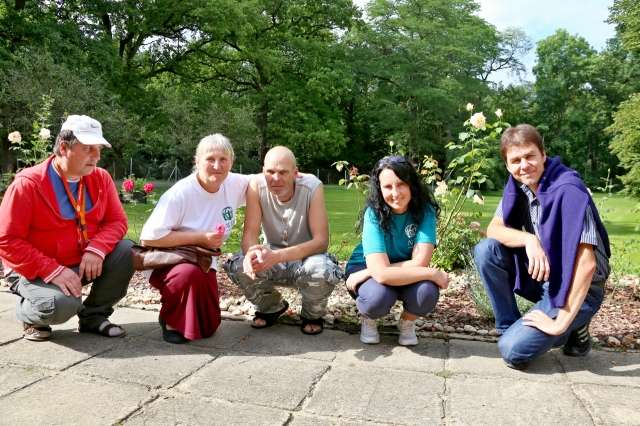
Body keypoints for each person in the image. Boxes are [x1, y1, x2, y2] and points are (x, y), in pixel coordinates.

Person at [474, 124, 610, 369]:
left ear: (543, 155)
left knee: (513, 352)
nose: (524, 165)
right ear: (507, 165)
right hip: (547, 275)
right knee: (486, 250)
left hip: (578, 286)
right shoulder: (518, 185)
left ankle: (573, 325)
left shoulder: (568, 190)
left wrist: (559, 324)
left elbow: (587, 265)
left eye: (530, 156)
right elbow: (494, 229)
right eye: (516, 160)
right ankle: (510, 329)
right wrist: (530, 240)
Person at [0, 115, 133, 341]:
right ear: (63, 148)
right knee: (61, 305)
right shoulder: (27, 184)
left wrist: (97, 249)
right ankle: (31, 315)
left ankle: (93, 317)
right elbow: (7, 240)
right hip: (35, 269)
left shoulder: (101, 178)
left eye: (99, 149)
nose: (97, 156)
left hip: (81, 261)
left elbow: (117, 221)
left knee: (126, 251)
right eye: (88, 149)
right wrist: (51, 269)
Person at [140, 134, 249, 344]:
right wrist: (201, 238)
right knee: (189, 274)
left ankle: (187, 319)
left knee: (209, 326)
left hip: (204, 260)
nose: (217, 166)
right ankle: (170, 320)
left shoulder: (234, 183)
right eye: (210, 159)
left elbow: (268, 178)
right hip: (168, 260)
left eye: (223, 159)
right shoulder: (180, 193)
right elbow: (148, 238)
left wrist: (300, 177)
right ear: (197, 161)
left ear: (231, 162)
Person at [224, 146, 341, 335]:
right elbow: (250, 234)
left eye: (283, 172)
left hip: (306, 259)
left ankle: (312, 314)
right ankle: (271, 307)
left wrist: (277, 256)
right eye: (270, 172)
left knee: (321, 269)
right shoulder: (256, 185)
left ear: (295, 173)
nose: (275, 178)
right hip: (272, 256)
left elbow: (321, 242)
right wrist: (251, 253)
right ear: (263, 171)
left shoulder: (312, 186)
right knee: (239, 265)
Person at [344, 156, 449, 346]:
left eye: (401, 184)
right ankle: (369, 319)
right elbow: (382, 275)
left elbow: (420, 263)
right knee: (378, 297)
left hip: (383, 270)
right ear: (379, 189)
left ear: (411, 184)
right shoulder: (373, 213)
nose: (395, 193)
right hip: (364, 266)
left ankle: (406, 322)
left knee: (426, 292)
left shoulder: (425, 211)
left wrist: (375, 271)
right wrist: (432, 273)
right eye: (387, 186)